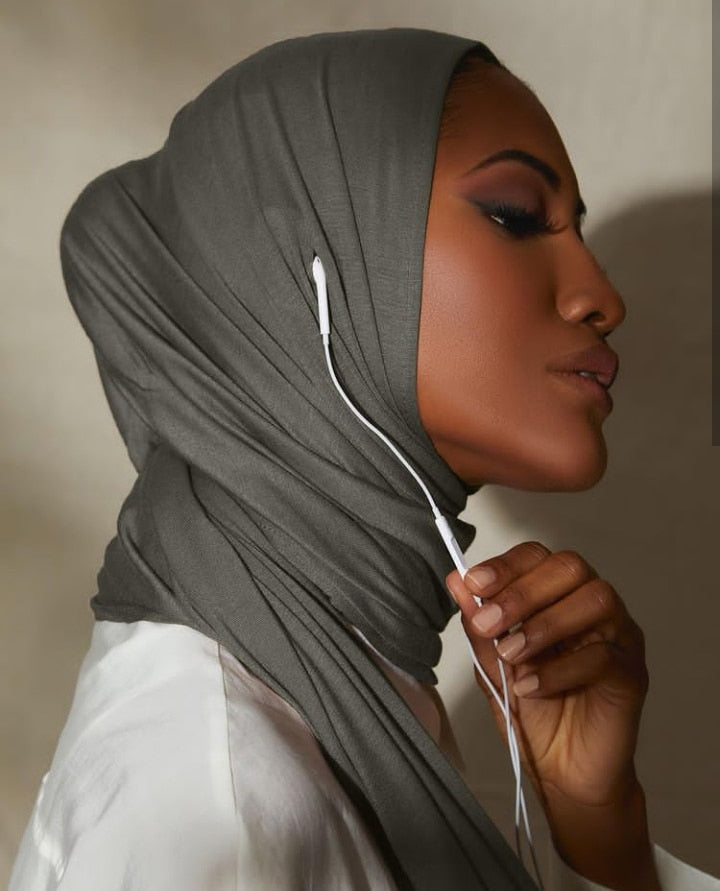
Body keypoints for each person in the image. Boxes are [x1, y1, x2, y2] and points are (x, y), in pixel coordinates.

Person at [8, 27, 719, 891]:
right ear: (313, 271)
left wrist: (598, 827)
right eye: (516, 215)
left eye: (577, 231)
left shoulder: (342, 699)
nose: (601, 297)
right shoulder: (214, 807)